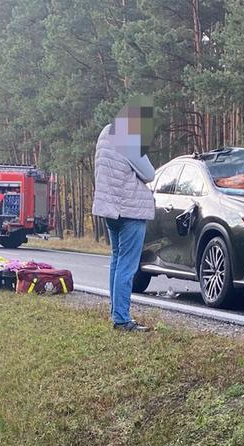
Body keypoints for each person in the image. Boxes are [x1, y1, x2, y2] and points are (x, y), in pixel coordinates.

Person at [92, 97, 156, 332]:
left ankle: (116, 312)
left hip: (109, 209)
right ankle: (121, 318)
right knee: (128, 266)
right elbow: (149, 173)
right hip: (129, 209)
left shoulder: (105, 133)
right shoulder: (128, 138)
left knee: (117, 261)